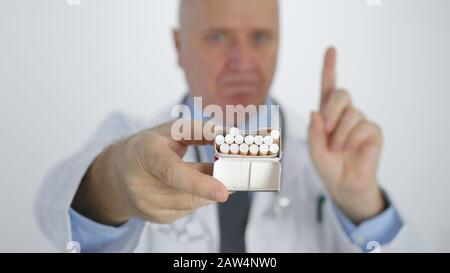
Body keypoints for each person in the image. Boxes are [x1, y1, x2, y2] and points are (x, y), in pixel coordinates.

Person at [35, 0, 420, 252]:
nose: (242, 62)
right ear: (178, 45)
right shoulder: (127, 136)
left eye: (260, 37)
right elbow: (52, 207)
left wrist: (363, 207)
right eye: (218, 37)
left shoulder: (328, 153)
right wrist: (112, 186)